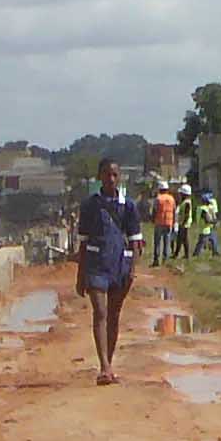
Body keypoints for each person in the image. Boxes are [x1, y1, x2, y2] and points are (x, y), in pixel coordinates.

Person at [75, 157, 143, 380]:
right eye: (106, 174)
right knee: (100, 313)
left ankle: (109, 363)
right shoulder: (89, 206)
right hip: (95, 265)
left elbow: (135, 240)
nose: (111, 179)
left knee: (113, 315)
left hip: (119, 265)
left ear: (119, 177)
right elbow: (83, 242)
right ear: (99, 177)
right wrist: (80, 274)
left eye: (114, 175)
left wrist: (132, 269)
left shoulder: (128, 206)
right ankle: (104, 366)